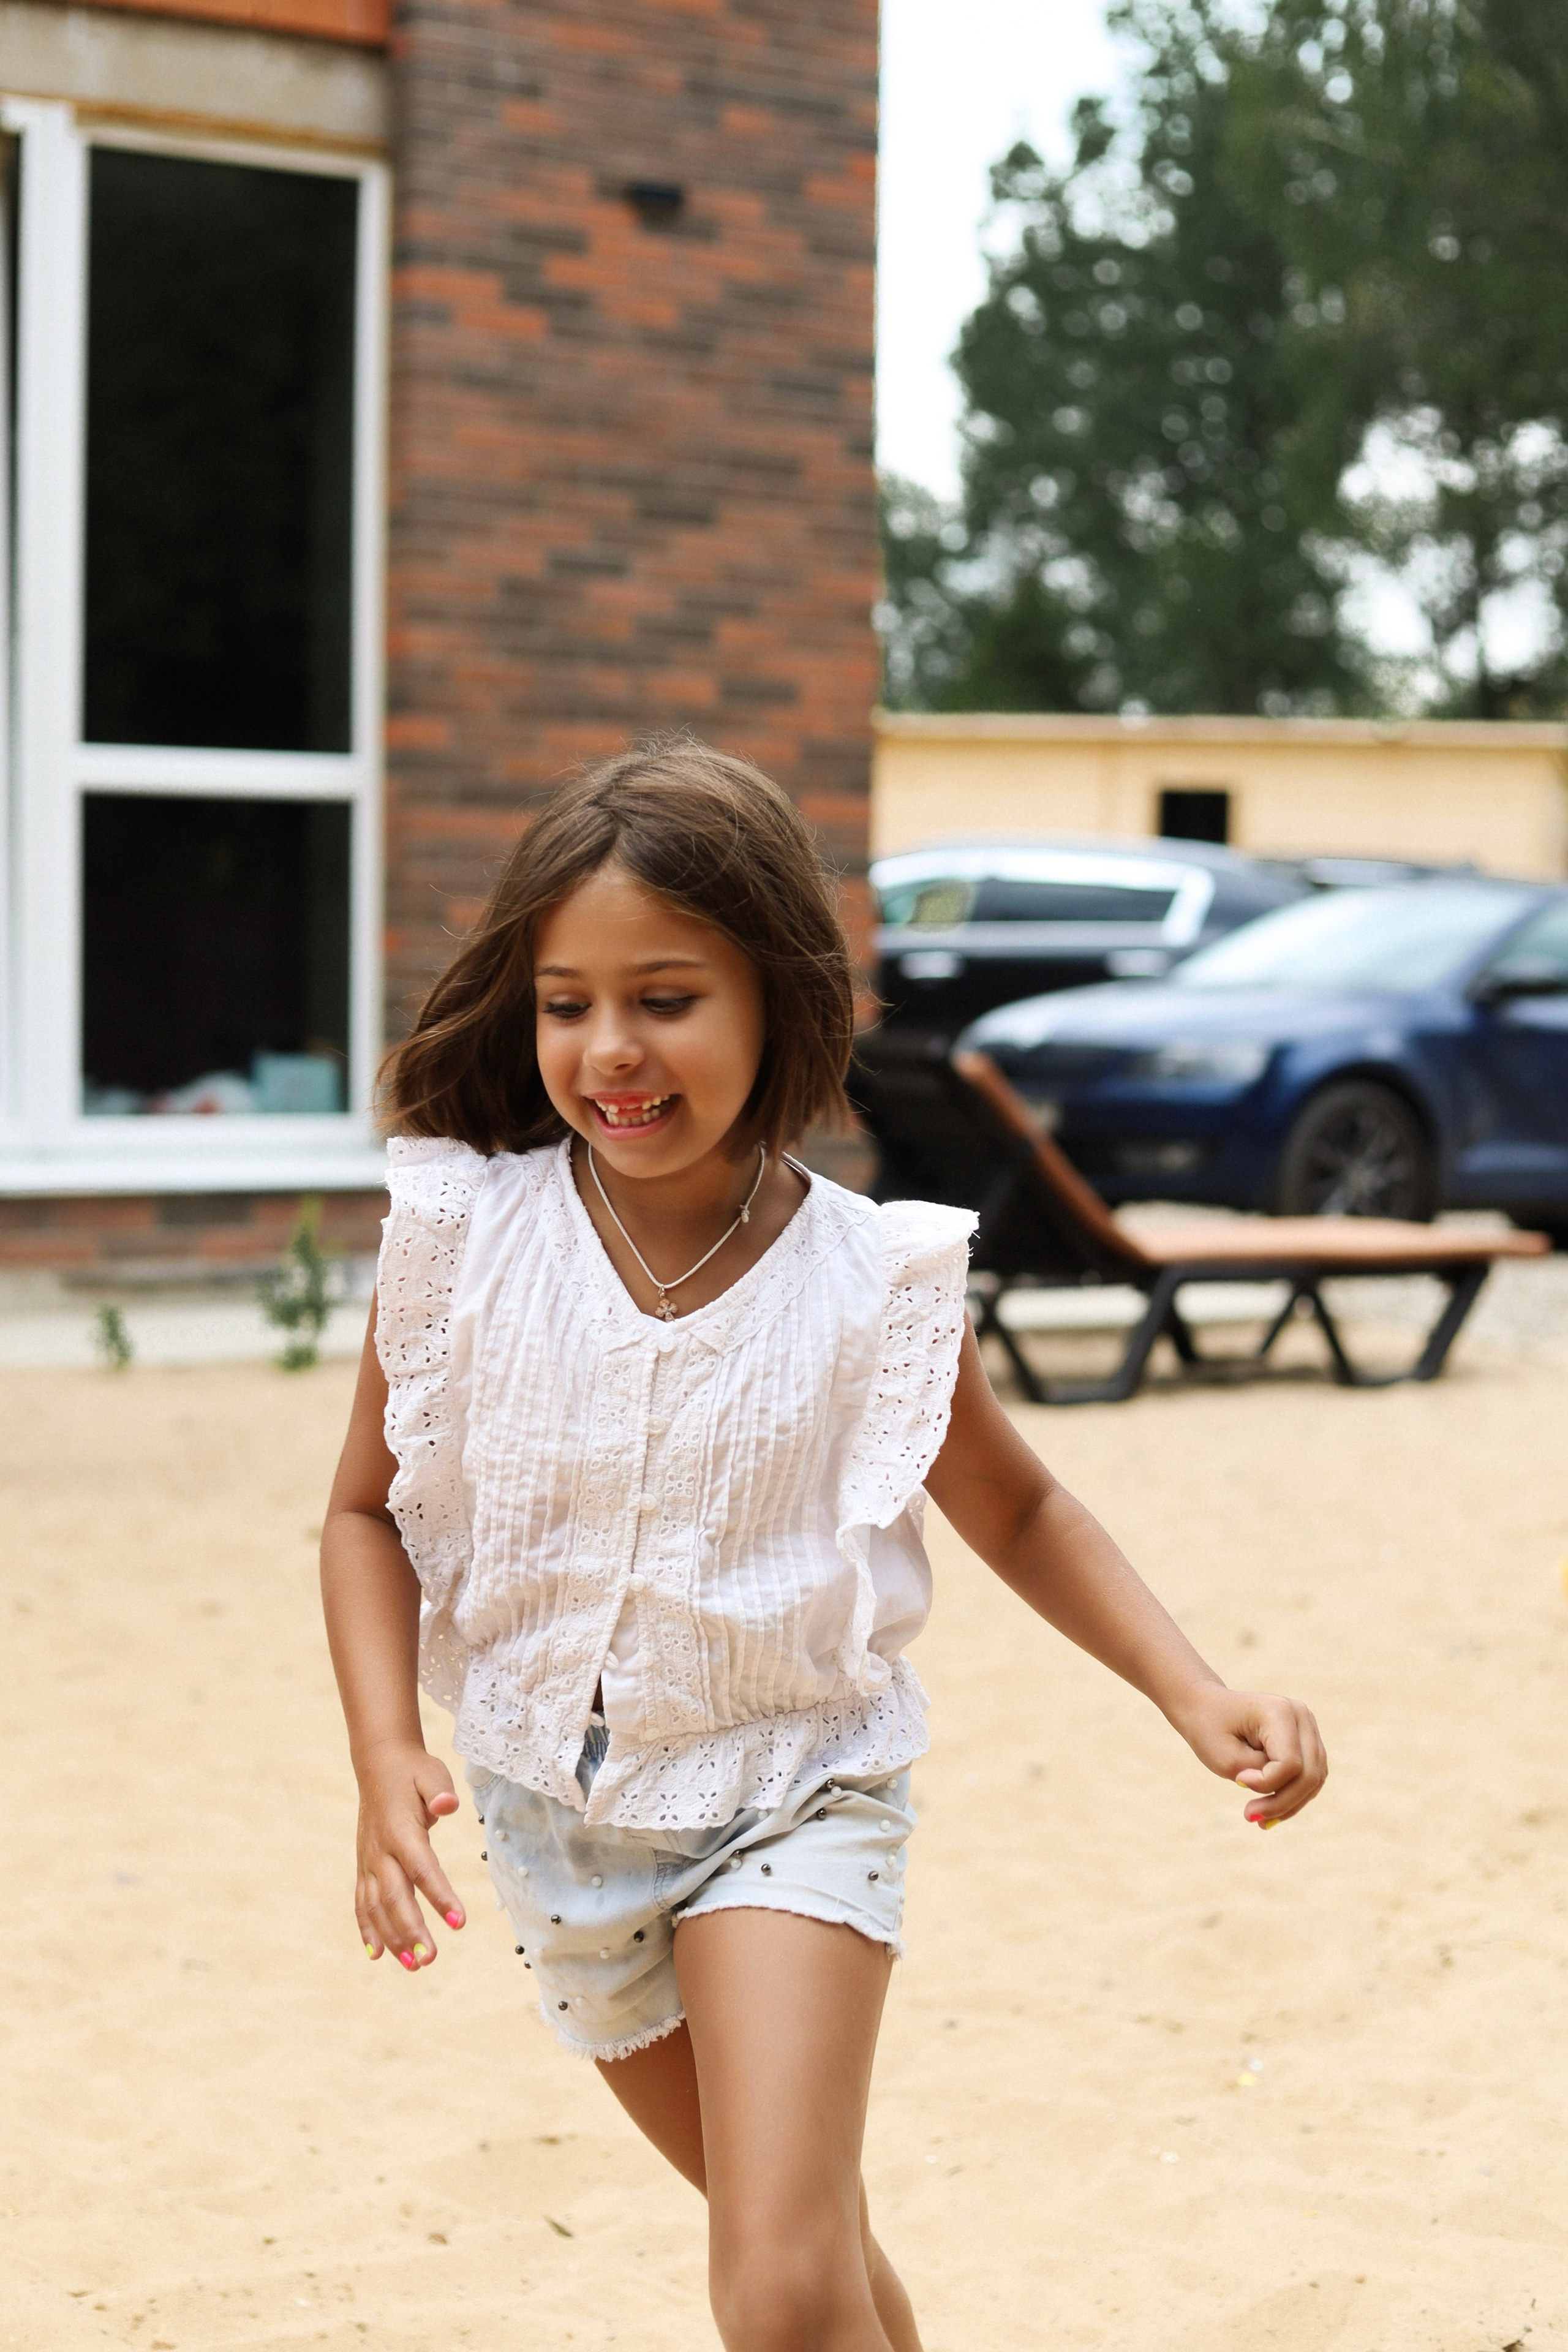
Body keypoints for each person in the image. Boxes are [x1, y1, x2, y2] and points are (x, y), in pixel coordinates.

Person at [320, 738, 1327, 2352]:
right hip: (555, 1832)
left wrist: (1191, 1692)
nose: (610, 1049)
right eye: (566, 1002)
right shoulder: (463, 1237)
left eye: (666, 996)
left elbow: (1017, 1502)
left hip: (796, 1791)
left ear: (777, 999)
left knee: (779, 2288)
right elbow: (364, 1509)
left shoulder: (872, 1280)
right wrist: (383, 1750)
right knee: (810, 2251)